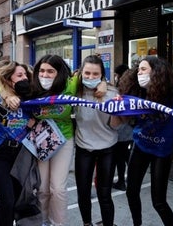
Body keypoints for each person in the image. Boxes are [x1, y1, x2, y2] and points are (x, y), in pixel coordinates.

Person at [117, 56, 173, 226]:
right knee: (131, 192)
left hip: (162, 152)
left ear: (156, 72)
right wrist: (118, 105)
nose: (139, 73)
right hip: (140, 146)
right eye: (138, 70)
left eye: (143, 70)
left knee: (158, 201)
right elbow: (122, 117)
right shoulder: (137, 91)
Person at [31, 54, 78, 226]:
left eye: (51, 71)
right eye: (42, 70)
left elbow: (93, 77)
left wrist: (102, 84)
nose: (45, 75)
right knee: (42, 189)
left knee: (57, 189)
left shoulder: (71, 85)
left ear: (60, 72)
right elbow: (2, 88)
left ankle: (57, 223)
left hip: (64, 139)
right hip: (41, 140)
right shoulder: (31, 88)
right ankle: (42, 221)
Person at [0, 60, 35, 226]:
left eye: (25, 76)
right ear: (7, 79)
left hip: (21, 153)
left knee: (17, 198)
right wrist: (4, 95)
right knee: (6, 200)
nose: (24, 79)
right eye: (19, 76)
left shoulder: (28, 97)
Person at [74, 55, 118, 226]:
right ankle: (87, 223)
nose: (91, 78)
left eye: (95, 74)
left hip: (107, 147)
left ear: (102, 75)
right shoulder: (74, 91)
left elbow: (116, 126)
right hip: (83, 147)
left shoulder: (112, 92)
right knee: (83, 192)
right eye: (87, 73)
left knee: (104, 193)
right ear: (80, 73)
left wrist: (113, 107)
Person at [112, 63, 132, 191]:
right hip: (130, 128)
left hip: (122, 129)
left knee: (120, 156)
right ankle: (130, 178)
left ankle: (121, 181)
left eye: (116, 75)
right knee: (126, 154)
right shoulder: (132, 87)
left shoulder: (121, 88)